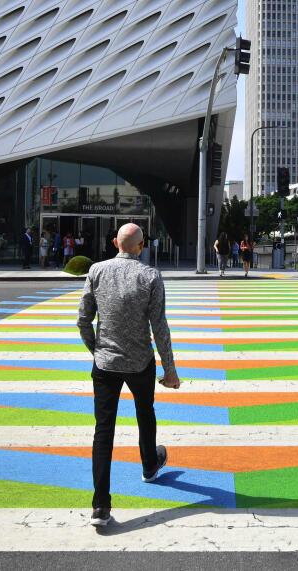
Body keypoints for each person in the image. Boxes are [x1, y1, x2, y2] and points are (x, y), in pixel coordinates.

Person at [76, 223, 180, 527]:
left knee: (103, 429)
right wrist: (170, 371)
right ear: (141, 245)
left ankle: (100, 506)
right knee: (145, 412)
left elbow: (83, 320)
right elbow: (159, 327)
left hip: (105, 363)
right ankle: (149, 465)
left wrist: (96, 350)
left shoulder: (96, 271)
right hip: (139, 362)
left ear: (114, 243)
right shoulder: (150, 275)